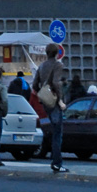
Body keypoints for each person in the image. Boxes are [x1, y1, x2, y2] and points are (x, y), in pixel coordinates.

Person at [32, 43, 68, 173]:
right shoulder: (58, 65)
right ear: (57, 53)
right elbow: (55, 83)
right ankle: (57, 163)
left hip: (45, 101)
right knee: (58, 134)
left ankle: (55, 160)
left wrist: (43, 93)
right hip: (54, 101)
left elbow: (35, 85)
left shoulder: (41, 66)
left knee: (53, 132)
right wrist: (59, 100)